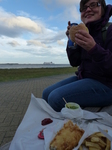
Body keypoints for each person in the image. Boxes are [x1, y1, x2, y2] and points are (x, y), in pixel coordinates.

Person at [42, 0, 112, 112]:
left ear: (102, 9)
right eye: (84, 8)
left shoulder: (109, 30)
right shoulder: (84, 32)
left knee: (55, 98)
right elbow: (74, 62)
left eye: (93, 5)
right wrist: (71, 41)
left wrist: (93, 48)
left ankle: (70, 127)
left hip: (107, 85)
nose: (88, 9)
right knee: (46, 94)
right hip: (84, 78)